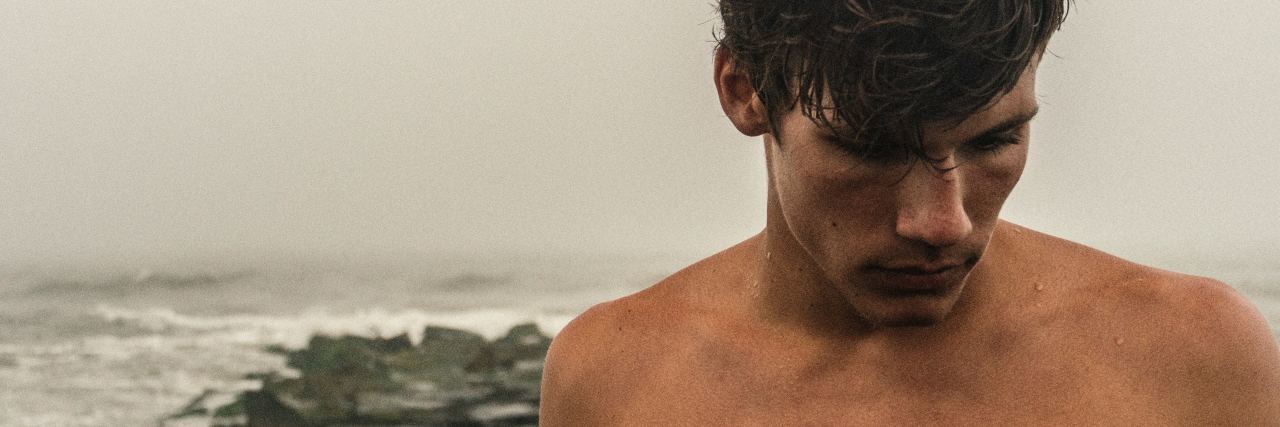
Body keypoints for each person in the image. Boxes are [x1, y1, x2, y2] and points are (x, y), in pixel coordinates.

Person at [540, 1, 1280, 424]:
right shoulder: (615, 382)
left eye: (995, 139)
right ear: (742, 90)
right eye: (870, 148)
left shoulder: (1194, 359)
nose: (942, 224)